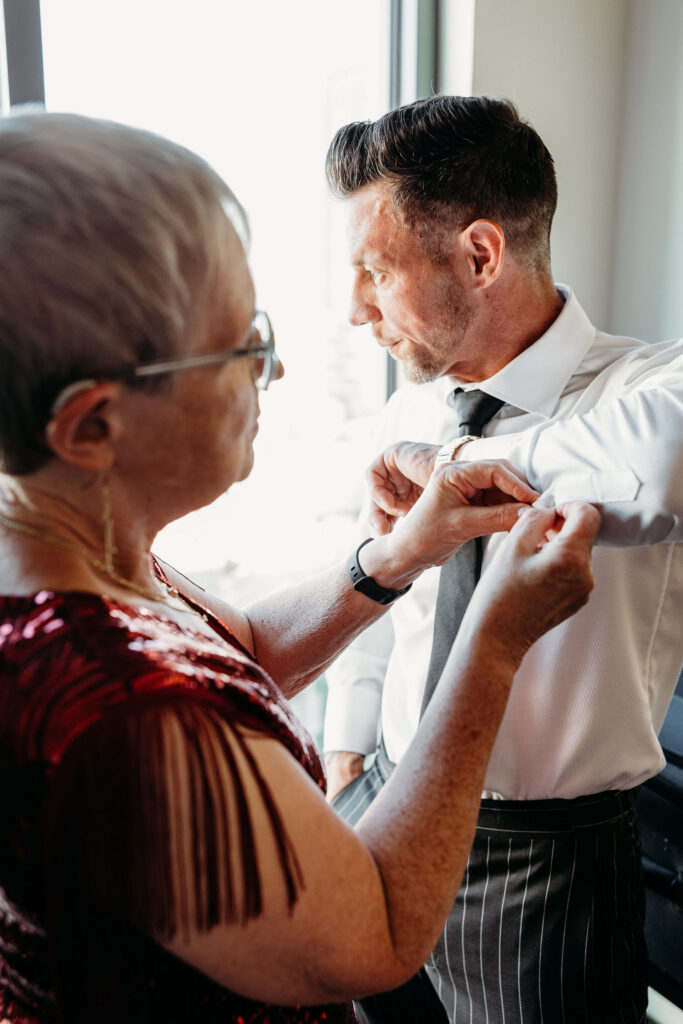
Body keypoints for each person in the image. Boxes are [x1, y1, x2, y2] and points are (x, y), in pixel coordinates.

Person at [0, 110, 599, 1024]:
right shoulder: (127, 718)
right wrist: (490, 644)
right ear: (91, 426)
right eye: (241, 346)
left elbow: (232, 646)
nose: (269, 373)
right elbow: (379, 938)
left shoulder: (81, 555)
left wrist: (397, 556)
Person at [323, 95, 683, 1024]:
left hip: (539, 865)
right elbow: (380, 587)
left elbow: (646, 469)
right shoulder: (415, 408)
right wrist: (346, 751)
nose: (353, 308)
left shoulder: (651, 386)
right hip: (382, 796)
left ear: (479, 255)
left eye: (374, 270)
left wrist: (450, 474)